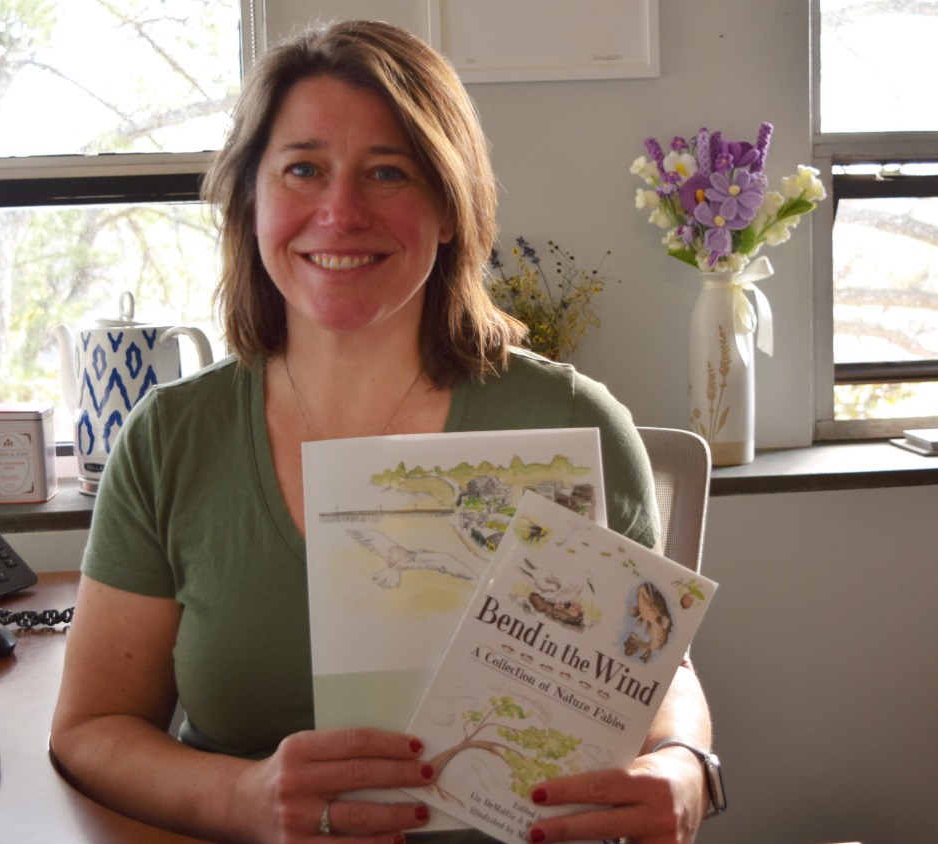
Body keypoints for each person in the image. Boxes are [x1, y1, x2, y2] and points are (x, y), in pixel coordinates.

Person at [50, 19, 717, 844]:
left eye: (388, 172)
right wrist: (246, 799)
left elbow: (656, 672)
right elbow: (91, 730)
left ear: (448, 209)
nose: (340, 211)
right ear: (251, 202)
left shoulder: (574, 424)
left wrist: (685, 764)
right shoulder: (171, 440)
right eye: (303, 169)